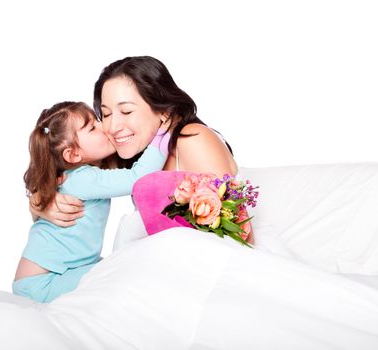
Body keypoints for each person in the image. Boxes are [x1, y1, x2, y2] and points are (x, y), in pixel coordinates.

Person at [31, 56, 253, 248]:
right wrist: (42, 203)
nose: (112, 126)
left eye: (126, 111)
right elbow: (64, 174)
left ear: (163, 110)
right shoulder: (132, 151)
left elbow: (240, 234)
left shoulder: (193, 140)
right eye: (106, 114)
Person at [13, 101, 169, 303]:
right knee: (123, 271)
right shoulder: (82, 179)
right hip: (44, 282)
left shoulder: (80, 176)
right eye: (93, 128)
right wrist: (165, 132)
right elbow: (136, 178)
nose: (104, 126)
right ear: (73, 154)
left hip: (58, 275)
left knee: (123, 267)